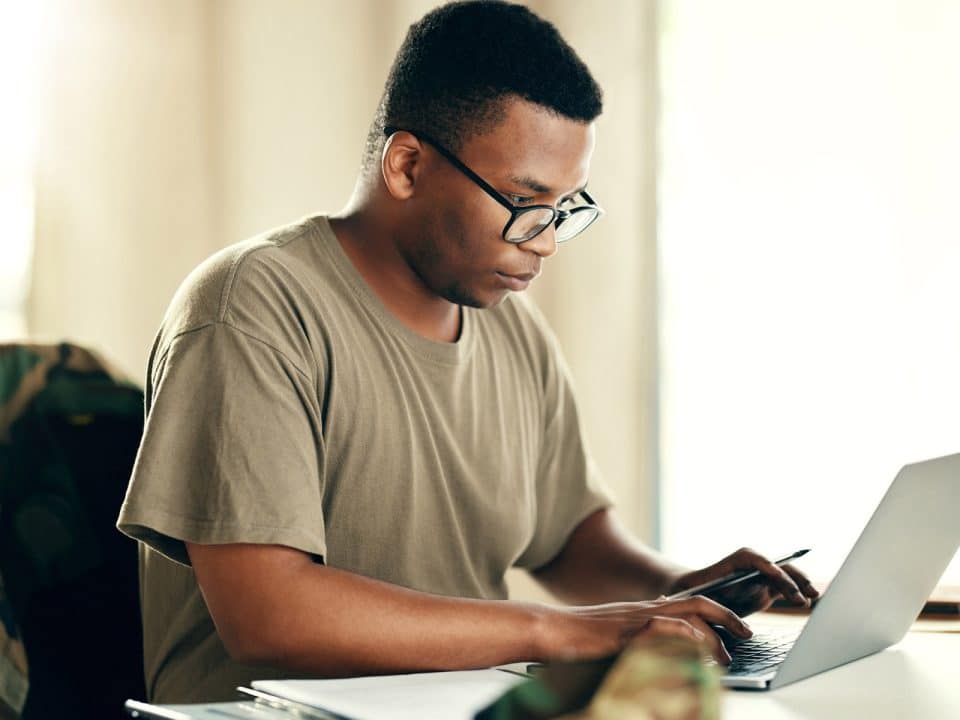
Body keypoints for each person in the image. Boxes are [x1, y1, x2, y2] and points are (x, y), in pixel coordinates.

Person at [117, 0, 818, 703]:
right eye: (523, 201)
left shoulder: (511, 326)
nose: (543, 240)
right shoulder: (252, 307)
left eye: (565, 208)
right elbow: (270, 616)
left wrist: (675, 592)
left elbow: (570, 539)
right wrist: (562, 631)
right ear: (408, 165)